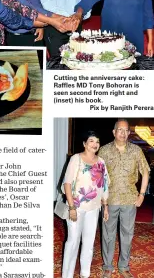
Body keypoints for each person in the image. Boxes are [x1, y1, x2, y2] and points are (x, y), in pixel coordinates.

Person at [98, 119, 150, 278]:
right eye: (119, 130)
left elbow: (146, 171)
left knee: (127, 234)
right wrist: (102, 201)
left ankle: (124, 266)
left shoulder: (136, 151)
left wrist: (141, 194)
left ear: (129, 133)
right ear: (114, 132)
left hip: (129, 199)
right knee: (108, 234)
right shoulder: (104, 151)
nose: (122, 133)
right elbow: (98, 177)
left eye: (125, 130)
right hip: (109, 199)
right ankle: (107, 266)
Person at [62, 131, 109, 278]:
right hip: (76, 206)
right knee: (73, 242)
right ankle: (67, 275)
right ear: (84, 144)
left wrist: (105, 206)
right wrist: (71, 207)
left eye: (97, 141)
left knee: (89, 243)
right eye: (91, 141)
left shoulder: (101, 162)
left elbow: (105, 185)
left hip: (94, 207)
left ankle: (85, 273)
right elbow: (67, 183)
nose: (95, 144)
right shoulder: (76, 159)